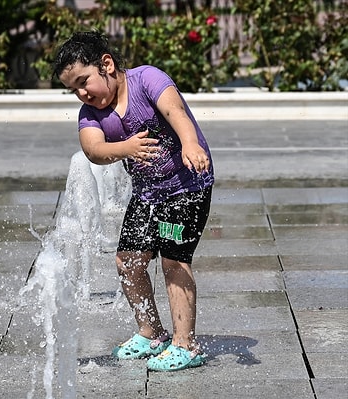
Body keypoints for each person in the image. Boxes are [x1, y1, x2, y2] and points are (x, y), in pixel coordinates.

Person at [53, 31, 214, 371]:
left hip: (187, 185)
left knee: (173, 260)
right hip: (148, 193)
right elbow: (93, 150)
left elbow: (177, 112)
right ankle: (151, 331)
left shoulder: (147, 80)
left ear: (106, 65)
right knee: (128, 260)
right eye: (74, 90)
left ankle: (186, 344)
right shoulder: (91, 114)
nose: (82, 93)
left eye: (85, 81)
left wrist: (190, 144)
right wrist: (125, 149)